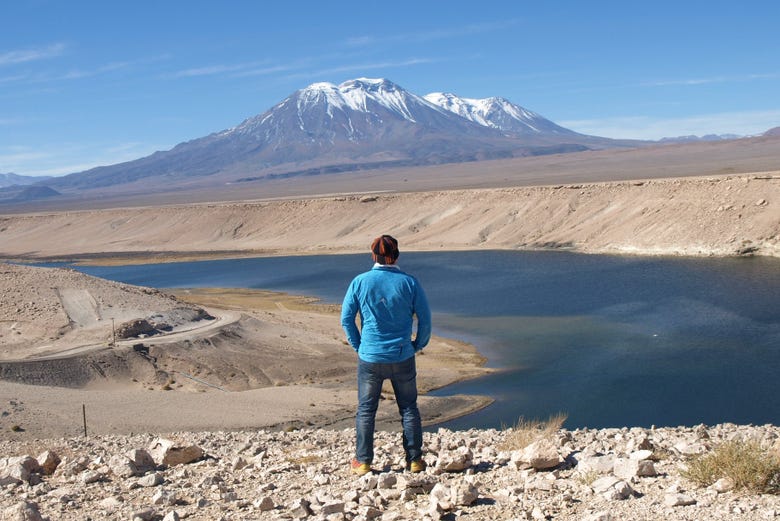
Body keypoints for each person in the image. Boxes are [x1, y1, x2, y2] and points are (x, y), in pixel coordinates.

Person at [341, 234, 432, 475]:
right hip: (402, 356)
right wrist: (417, 345)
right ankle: (414, 461)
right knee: (409, 408)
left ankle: (363, 462)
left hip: (370, 357)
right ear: (397, 256)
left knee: (366, 410)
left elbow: (346, 319)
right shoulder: (410, 283)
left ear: (373, 256)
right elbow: (425, 319)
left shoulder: (360, 282)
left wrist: (359, 346)